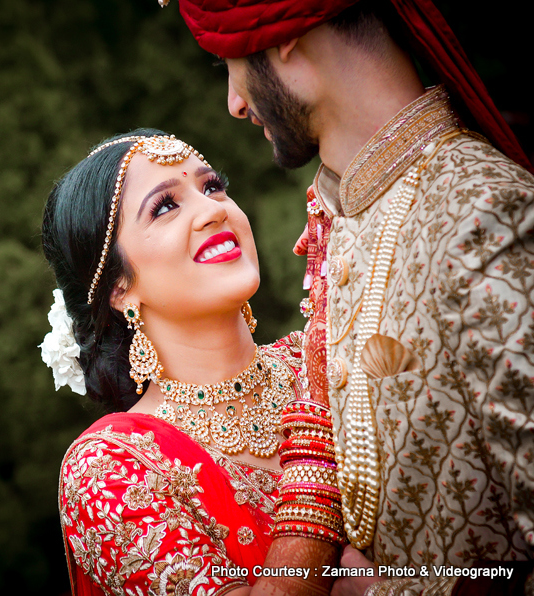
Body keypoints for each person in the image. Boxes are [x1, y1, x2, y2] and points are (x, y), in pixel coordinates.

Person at [168, 0, 534, 594]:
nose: (235, 102)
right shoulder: (344, 220)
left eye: (229, 64)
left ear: (285, 40)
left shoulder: (483, 217)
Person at [41, 129, 343, 596]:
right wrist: (318, 436)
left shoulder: (322, 358)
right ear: (118, 287)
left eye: (212, 186)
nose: (214, 210)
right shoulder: (112, 466)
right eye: (165, 206)